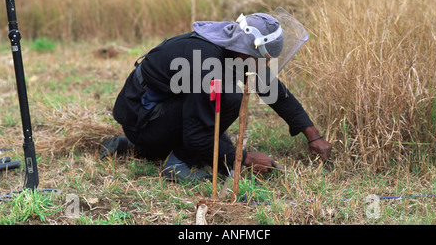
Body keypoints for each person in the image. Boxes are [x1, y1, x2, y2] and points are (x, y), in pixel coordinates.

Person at [104, 12, 332, 182]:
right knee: (229, 98)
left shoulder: (233, 44)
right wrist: (245, 158)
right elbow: (196, 137)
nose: (264, 66)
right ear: (248, 50)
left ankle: (140, 148)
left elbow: (271, 88)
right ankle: (177, 162)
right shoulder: (205, 61)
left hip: (154, 111)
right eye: (263, 60)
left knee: (220, 133)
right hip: (143, 119)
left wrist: (312, 135)